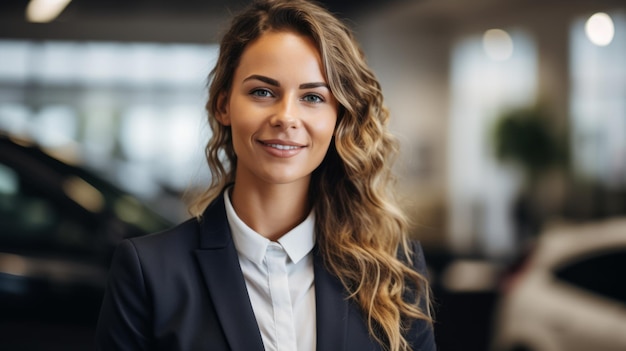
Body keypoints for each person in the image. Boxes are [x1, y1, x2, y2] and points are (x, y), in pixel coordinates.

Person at [95, 0, 435, 350]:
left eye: (313, 97)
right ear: (223, 105)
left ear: (340, 116)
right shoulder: (149, 270)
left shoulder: (392, 269)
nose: (286, 117)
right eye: (262, 92)